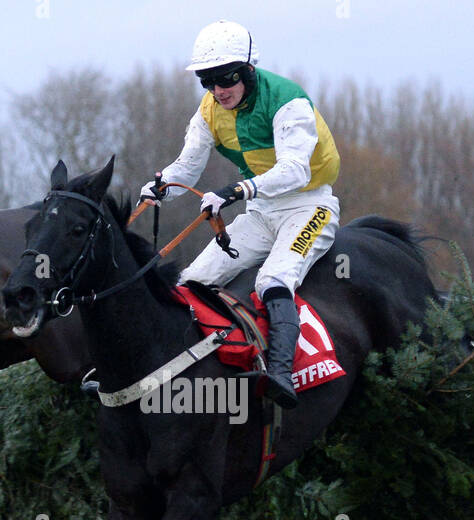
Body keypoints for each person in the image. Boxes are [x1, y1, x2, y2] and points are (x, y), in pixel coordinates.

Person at [141, 20, 341, 408]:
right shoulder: (209, 109)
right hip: (262, 211)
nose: (219, 90)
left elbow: (296, 170)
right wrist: (163, 183)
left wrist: (238, 189)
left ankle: (281, 373)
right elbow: (188, 165)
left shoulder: (288, 100)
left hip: (309, 206)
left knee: (272, 279)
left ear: (249, 69)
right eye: (207, 80)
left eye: (226, 77)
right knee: (189, 282)